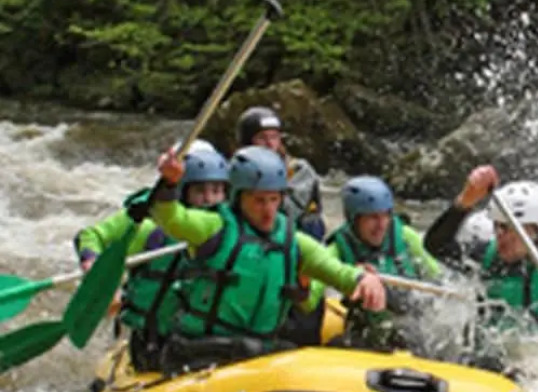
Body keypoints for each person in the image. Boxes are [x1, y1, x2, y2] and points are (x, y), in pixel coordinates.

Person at [146, 144, 386, 370]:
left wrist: (361, 278)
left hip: (258, 353)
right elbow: (169, 217)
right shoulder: (214, 227)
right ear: (239, 197)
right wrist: (169, 183)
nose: (269, 210)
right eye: (259, 200)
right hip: (202, 350)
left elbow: (333, 268)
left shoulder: (293, 240)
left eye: (274, 199)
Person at [74, 140, 229, 369]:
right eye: (199, 190)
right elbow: (90, 236)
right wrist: (95, 269)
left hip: (206, 342)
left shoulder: (232, 231)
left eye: (216, 191)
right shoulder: (149, 227)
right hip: (154, 343)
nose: (208, 200)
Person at [424, 165, 538, 333]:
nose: (500, 235)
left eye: (508, 228)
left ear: (536, 232)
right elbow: (435, 245)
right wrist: (465, 202)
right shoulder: (487, 258)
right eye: (497, 226)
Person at [301, 176, 443, 351]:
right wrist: (351, 277)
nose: (381, 225)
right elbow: (309, 299)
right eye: (373, 218)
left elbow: (438, 280)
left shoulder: (407, 237)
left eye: (385, 216)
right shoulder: (337, 248)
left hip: (412, 331)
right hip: (367, 334)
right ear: (354, 219)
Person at [236, 106, 325, 239]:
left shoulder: (298, 169)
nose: (270, 144)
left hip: (291, 233)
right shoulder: (235, 170)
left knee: (311, 223)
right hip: (248, 232)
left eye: (274, 137)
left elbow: (291, 210)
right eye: (262, 138)